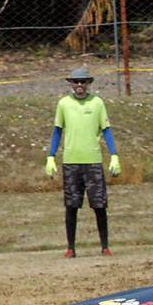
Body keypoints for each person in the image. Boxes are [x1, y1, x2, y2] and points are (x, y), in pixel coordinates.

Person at [44, 67, 122, 258]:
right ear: (71, 83)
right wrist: (51, 156)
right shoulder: (63, 104)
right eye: (76, 82)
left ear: (88, 83)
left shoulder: (97, 103)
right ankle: (71, 248)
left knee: (99, 205)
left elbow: (106, 130)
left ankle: (104, 246)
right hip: (71, 162)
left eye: (83, 82)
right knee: (71, 206)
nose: (80, 85)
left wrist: (114, 155)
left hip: (93, 161)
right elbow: (57, 130)